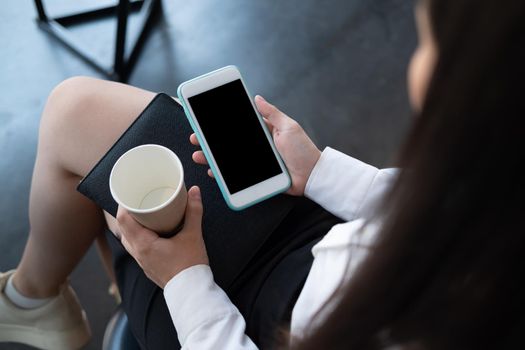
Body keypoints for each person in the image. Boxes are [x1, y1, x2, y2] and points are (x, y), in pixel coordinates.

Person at [1, 0, 524, 349]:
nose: (418, 62)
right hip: (324, 242)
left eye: (430, 43)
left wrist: (184, 279)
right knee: (85, 123)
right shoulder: (497, 188)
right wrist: (320, 171)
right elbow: (424, 212)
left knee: (97, 175)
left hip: (243, 323)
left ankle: (33, 300)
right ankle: (41, 300)